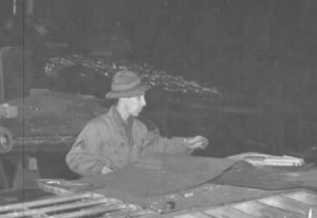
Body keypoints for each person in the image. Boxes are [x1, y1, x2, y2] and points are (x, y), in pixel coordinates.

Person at [65, 69, 209, 177]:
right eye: (139, 98)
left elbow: (158, 147)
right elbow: (75, 158)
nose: (144, 103)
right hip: (103, 192)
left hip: (128, 189)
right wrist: (99, 169)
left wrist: (186, 143)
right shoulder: (96, 128)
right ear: (124, 98)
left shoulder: (139, 128)